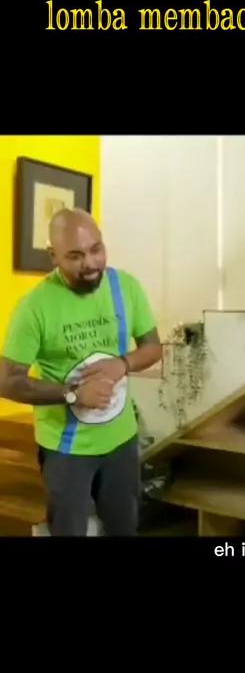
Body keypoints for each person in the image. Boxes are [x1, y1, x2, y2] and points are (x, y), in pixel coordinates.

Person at [0, 208, 163, 537]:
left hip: (122, 440)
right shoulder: (35, 308)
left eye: (96, 249)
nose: (90, 263)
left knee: (124, 528)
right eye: (75, 256)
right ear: (53, 256)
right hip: (66, 449)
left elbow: (153, 347)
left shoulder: (126, 287)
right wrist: (73, 394)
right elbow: (6, 381)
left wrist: (123, 363)